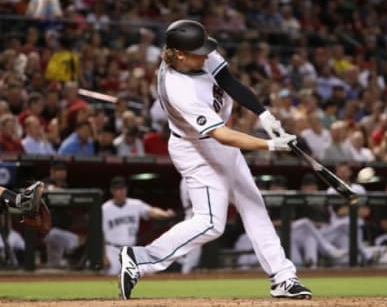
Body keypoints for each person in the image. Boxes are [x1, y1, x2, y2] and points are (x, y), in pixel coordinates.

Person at [119, 19, 312, 300]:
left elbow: (228, 81)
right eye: (198, 51)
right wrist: (269, 144)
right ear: (179, 54)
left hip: (220, 142)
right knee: (210, 222)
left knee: (254, 205)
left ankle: (283, 277)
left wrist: (263, 113)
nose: (206, 54)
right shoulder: (178, 87)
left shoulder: (195, 56)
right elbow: (222, 135)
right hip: (196, 148)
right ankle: (142, 258)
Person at [102, 176, 175, 275]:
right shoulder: (104, 209)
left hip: (131, 249)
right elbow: (99, 235)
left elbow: (151, 211)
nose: (121, 191)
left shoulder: (135, 204)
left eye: (123, 188)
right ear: (112, 191)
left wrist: (165, 214)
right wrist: (103, 256)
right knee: (110, 277)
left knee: (145, 274)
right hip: (112, 250)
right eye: (118, 189)